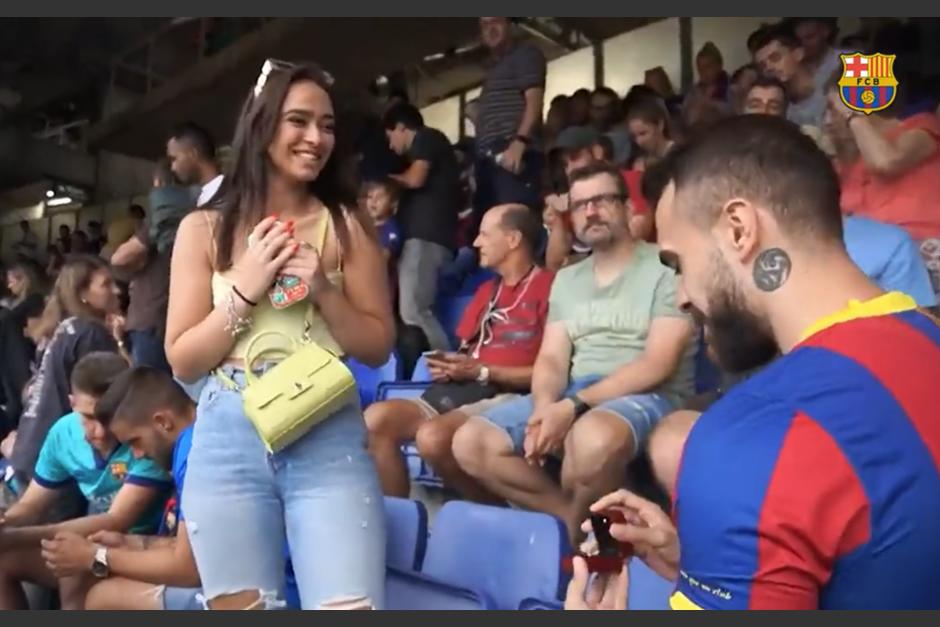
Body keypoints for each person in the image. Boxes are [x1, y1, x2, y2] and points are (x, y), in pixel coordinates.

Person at [573, 115, 940, 610]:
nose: (681, 296)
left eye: (679, 264)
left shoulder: (748, 443)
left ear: (739, 230)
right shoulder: (927, 334)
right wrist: (726, 566)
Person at [166, 60, 393, 610]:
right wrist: (245, 289)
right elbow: (183, 360)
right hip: (226, 437)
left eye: (327, 125)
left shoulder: (347, 224)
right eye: (299, 121)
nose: (316, 138)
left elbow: (378, 344)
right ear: (262, 126)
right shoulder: (202, 227)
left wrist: (325, 291)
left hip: (325, 430)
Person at [451, 162, 694, 540]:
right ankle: (575, 526)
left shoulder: (664, 266)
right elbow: (551, 358)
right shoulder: (567, 279)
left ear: (628, 207)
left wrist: (572, 406)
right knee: (470, 442)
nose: (591, 212)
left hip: (648, 392)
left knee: (591, 439)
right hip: (576, 391)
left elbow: (657, 364)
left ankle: (586, 548)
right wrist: (544, 407)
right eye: (580, 205)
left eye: (602, 200)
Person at [365, 203, 552, 499]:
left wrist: (483, 372)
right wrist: (452, 366)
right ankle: (403, 517)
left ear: (513, 240)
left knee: (432, 438)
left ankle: (494, 510)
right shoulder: (486, 291)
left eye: (484, 234)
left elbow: (553, 371)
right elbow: (469, 352)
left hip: (511, 394)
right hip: (465, 389)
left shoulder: (551, 288)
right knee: (375, 420)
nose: (476, 242)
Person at [0, 353, 171, 610]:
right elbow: (31, 506)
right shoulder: (63, 433)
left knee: (73, 563)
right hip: (89, 543)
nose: (99, 432)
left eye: (107, 418)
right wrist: (6, 522)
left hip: (138, 551)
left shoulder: (142, 438)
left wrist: (15, 537)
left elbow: (115, 520)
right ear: (72, 403)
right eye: (89, 418)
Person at [43, 367, 201, 610]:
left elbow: (188, 569)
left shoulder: (195, 454)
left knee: (103, 597)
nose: (138, 454)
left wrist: (94, 556)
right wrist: (131, 543)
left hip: (240, 596)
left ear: (163, 422)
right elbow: (188, 546)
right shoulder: (192, 442)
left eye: (135, 441)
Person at [8, 256, 125, 492]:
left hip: (28, 449)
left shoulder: (61, 329)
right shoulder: (90, 334)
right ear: (82, 294)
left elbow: (30, 391)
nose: (117, 290)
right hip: (59, 461)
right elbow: (117, 392)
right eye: (105, 284)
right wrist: (121, 343)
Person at [825, 82, 940, 298]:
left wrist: (853, 116)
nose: (827, 121)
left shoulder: (921, 126)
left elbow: (887, 162)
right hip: (879, 267)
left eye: (834, 109)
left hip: (927, 255)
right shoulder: (848, 168)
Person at [384, 102, 460, 351]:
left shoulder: (427, 137)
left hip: (426, 238)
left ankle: (446, 365)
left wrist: (384, 180)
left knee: (414, 310)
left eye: (390, 136)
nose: (391, 146)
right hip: (426, 239)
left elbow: (415, 178)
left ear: (401, 128)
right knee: (413, 312)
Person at [110, 161, 178, 373]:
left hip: (150, 320)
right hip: (169, 320)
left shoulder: (163, 219)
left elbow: (120, 258)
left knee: (148, 386)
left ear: (160, 184)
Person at [474, 17, 547, 216]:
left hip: (511, 150)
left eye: (496, 21)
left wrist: (520, 142)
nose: (490, 29)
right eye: (485, 25)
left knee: (514, 220)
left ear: (511, 25)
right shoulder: (493, 69)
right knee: (491, 225)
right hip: (489, 159)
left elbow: (534, 101)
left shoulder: (525, 54)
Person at [0, 262, 47, 430]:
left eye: (12, 280)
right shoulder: (14, 303)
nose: (9, 285)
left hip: (22, 351)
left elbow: (36, 332)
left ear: (23, 280)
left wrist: (25, 332)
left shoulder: (33, 300)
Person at [753, 25, 827, 130]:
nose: (768, 68)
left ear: (798, 54)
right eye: (763, 65)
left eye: (775, 58)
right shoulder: (777, 107)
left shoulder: (833, 87)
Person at [166, 122, 223, 207]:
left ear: (193, 154)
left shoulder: (232, 195)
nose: (173, 168)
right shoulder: (205, 197)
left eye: (174, 159)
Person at [791, 17, 843, 92]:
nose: (803, 44)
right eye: (799, 40)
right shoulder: (792, 66)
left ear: (825, 32)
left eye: (809, 37)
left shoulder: (850, 60)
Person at [626, 98, 674, 171]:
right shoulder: (639, 161)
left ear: (660, 125)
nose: (639, 141)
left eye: (643, 133)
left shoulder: (680, 156)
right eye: (634, 137)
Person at [590, 86, 631, 167]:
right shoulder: (591, 132)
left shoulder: (622, 134)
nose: (595, 113)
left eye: (600, 108)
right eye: (592, 107)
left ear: (614, 109)